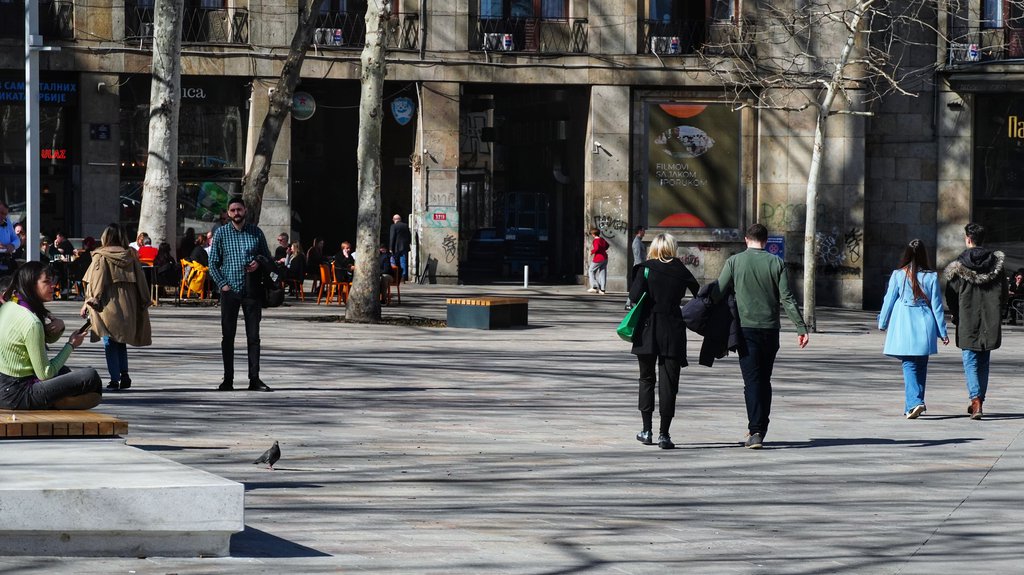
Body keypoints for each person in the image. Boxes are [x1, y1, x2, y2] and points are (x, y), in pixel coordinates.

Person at [710, 223, 809, 449]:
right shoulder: (776, 263)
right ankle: (761, 426)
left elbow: (718, 292)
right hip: (771, 330)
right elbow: (787, 297)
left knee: (752, 381)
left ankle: (755, 430)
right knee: (765, 379)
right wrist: (800, 327)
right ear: (766, 241)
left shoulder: (734, 262)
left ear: (746, 239)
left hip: (745, 329)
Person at [628, 233, 699, 449]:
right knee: (669, 384)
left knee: (646, 379)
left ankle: (646, 430)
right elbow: (700, 295)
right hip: (673, 329)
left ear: (654, 248)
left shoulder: (646, 268)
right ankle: (664, 434)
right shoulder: (681, 270)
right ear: (672, 247)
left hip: (647, 329)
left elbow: (633, 296)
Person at [0, 261, 103, 410]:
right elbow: (45, 374)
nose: (52, 286)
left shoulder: (10, 306)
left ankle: (56, 400)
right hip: (19, 395)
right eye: (46, 282)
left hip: (4, 388)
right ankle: (55, 402)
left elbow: (43, 338)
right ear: (31, 285)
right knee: (91, 376)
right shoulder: (31, 322)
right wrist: (71, 345)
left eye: (52, 281)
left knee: (64, 371)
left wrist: (59, 324)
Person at [877, 239, 949, 419]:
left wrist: (882, 322)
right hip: (925, 320)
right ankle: (914, 403)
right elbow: (937, 306)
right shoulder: (931, 276)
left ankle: (915, 403)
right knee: (921, 364)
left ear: (906, 254)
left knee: (908, 364)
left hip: (904, 319)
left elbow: (889, 300)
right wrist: (942, 332)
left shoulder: (898, 275)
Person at [943, 222, 1007, 420]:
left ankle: (975, 400)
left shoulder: (959, 266)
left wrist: (955, 313)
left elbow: (950, 295)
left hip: (967, 320)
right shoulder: (996, 266)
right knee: (984, 361)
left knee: (970, 361)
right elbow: (1004, 294)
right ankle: (979, 401)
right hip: (990, 319)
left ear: (968, 239)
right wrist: (999, 312)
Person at [209, 197, 273, 392]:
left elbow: (267, 257)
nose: (236, 213)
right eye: (233, 210)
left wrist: (258, 263)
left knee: (253, 336)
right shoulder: (221, 233)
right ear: (228, 213)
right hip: (230, 291)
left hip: (252, 291)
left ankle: (254, 378)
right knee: (228, 336)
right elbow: (213, 263)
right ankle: (228, 379)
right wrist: (223, 285)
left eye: (239, 209)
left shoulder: (256, 232)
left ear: (245, 211)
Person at [81, 223, 153, 391]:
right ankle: (124, 374)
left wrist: (92, 300)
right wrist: (145, 299)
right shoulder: (131, 256)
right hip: (129, 304)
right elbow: (141, 280)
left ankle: (114, 379)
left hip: (108, 303)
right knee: (121, 340)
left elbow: (97, 280)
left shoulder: (101, 256)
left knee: (109, 340)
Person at [0, 201, 21, 276]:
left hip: (6, 260)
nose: (3, 216)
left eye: (5, 214)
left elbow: (17, 239)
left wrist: (12, 245)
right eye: (1, 213)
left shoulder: (7, 222)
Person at [389, 214, 412, 280]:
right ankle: (403, 276)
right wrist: (408, 243)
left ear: (394, 219)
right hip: (404, 247)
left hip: (396, 247)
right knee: (403, 261)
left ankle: (395, 276)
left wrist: (391, 248)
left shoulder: (393, 226)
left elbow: (392, 237)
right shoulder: (405, 226)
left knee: (393, 261)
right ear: (400, 219)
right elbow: (409, 236)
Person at [588, 228, 609, 294]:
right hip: (605, 257)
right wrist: (603, 250)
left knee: (591, 270)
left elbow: (596, 248)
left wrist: (592, 252)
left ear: (593, 234)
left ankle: (594, 286)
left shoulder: (595, 240)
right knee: (602, 272)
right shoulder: (602, 239)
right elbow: (607, 245)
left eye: (592, 234)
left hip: (598, 258)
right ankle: (602, 289)